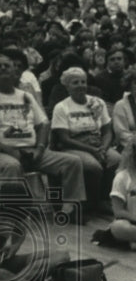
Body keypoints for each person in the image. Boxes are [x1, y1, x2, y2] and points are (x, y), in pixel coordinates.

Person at [0, 50, 85, 220]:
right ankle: (12, 214)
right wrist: (11, 151)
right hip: (5, 152)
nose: (3, 69)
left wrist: (39, 148)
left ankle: (70, 209)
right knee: (12, 166)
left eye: (6, 66)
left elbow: (43, 124)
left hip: (32, 150)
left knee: (72, 162)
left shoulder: (26, 96)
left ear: (14, 71)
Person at [49, 66, 120, 211]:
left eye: (83, 82)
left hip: (98, 143)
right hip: (74, 145)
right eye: (75, 82)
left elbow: (107, 131)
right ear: (67, 86)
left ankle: (104, 199)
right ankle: (88, 204)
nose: (80, 85)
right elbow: (64, 139)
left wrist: (104, 148)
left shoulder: (97, 102)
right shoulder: (61, 107)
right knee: (93, 166)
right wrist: (92, 150)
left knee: (116, 159)